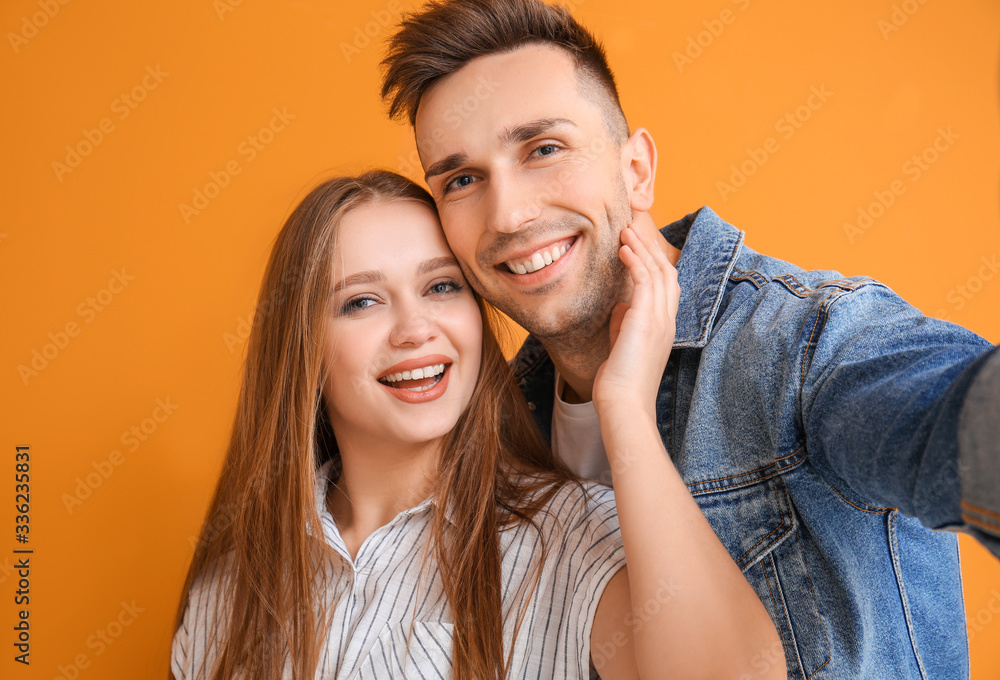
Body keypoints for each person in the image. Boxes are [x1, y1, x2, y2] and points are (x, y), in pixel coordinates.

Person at [379, 1, 1000, 678]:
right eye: (462, 180)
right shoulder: (491, 428)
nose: (509, 213)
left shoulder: (805, 345)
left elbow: (955, 418)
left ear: (637, 170)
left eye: (543, 149)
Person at [169, 170, 783, 680]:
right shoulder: (231, 588)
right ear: (301, 346)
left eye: (441, 286)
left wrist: (622, 406)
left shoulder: (566, 537)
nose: (415, 329)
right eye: (361, 301)